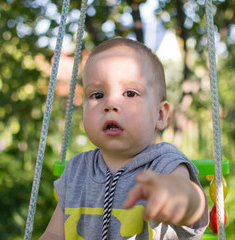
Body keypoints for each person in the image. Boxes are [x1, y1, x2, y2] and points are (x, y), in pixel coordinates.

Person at [40, 38, 208, 240]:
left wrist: (176, 195)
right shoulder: (76, 171)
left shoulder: (166, 165)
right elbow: (54, 233)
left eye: (130, 93)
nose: (110, 103)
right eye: (97, 94)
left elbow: (193, 204)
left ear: (160, 115)